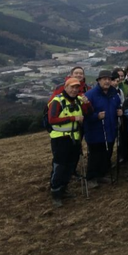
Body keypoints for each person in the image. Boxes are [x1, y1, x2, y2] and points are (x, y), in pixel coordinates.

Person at [47, 78, 92, 207]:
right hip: (60, 139)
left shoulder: (78, 100)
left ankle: (64, 189)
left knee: (70, 165)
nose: (74, 90)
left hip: (75, 138)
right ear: (65, 87)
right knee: (60, 165)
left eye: (76, 87)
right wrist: (73, 118)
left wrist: (87, 104)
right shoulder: (57, 101)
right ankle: (56, 193)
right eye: (72, 87)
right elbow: (52, 119)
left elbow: (89, 113)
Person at [84, 70, 123, 188]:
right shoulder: (90, 95)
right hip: (95, 132)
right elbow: (85, 114)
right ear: (99, 81)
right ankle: (91, 177)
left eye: (109, 79)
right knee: (95, 156)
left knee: (107, 154)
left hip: (110, 130)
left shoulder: (114, 94)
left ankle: (101, 175)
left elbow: (118, 106)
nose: (107, 81)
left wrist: (120, 112)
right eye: (104, 79)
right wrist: (96, 116)